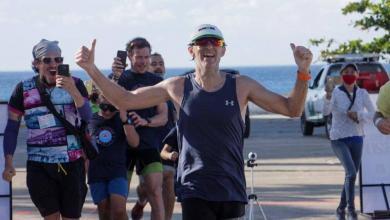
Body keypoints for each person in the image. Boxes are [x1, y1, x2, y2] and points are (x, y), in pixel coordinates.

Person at [75, 24, 312, 219]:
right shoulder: (177, 86)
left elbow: (292, 109)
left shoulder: (241, 85)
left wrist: (303, 72)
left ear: (223, 50)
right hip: (194, 189)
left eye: (215, 42)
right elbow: (123, 99)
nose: (209, 46)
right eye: (202, 42)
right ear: (191, 50)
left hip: (231, 188)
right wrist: (91, 69)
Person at [2, 39, 92, 220]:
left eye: (58, 60)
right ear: (36, 63)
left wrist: (73, 91)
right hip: (39, 165)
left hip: (72, 163)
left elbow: (87, 117)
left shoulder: (76, 83)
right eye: (47, 60)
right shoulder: (23, 89)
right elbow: (12, 128)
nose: (54, 64)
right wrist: (9, 162)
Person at [111, 37, 167, 220]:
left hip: (148, 144)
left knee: (156, 194)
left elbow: (163, 117)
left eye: (146, 57)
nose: (143, 61)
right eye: (139, 57)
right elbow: (102, 107)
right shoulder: (120, 79)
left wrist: (146, 121)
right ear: (129, 56)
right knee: (119, 200)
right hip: (122, 145)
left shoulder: (156, 81)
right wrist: (114, 78)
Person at [323, 63, 375, 220]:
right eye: (346, 72)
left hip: (357, 137)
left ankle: (340, 209)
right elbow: (325, 112)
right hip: (339, 138)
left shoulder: (362, 93)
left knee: (350, 175)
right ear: (341, 75)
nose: (349, 74)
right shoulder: (336, 93)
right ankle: (351, 211)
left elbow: (373, 113)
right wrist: (328, 96)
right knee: (351, 172)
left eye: (353, 71)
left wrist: (358, 115)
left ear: (358, 75)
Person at [132, 52, 178, 220]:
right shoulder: (143, 91)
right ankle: (141, 200)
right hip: (147, 144)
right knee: (148, 186)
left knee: (168, 177)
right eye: (154, 63)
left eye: (161, 63)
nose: (158, 66)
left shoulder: (172, 89)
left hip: (167, 144)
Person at [88, 94, 139, 220]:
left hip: (117, 170)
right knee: (104, 210)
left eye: (111, 108)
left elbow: (134, 142)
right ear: (98, 101)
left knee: (119, 210)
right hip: (96, 172)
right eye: (104, 107)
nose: (107, 112)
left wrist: (124, 120)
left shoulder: (123, 119)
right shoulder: (90, 120)